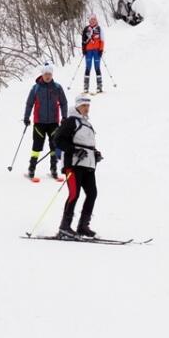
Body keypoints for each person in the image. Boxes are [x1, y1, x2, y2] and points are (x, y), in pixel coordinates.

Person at [54, 94, 103, 238]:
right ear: (77, 106)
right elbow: (58, 140)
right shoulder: (71, 121)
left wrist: (95, 153)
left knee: (92, 193)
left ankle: (83, 226)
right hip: (73, 164)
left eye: (88, 106)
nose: (86, 108)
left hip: (88, 165)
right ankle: (64, 226)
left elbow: (88, 144)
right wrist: (74, 150)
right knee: (74, 194)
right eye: (83, 106)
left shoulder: (87, 124)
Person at [22, 62, 68, 180]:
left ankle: (53, 169)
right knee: (37, 146)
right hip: (39, 122)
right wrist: (26, 118)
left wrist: (64, 117)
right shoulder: (36, 88)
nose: (48, 76)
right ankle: (31, 168)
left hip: (53, 122)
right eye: (46, 74)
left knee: (54, 146)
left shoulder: (57, 87)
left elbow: (64, 103)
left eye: (50, 74)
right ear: (42, 74)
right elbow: (29, 104)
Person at [81, 14, 105, 94]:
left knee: (97, 67)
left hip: (96, 51)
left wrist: (101, 50)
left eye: (94, 19)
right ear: (89, 21)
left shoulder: (99, 28)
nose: (92, 21)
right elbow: (83, 41)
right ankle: (86, 87)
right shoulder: (86, 29)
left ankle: (99, 86)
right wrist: (83, 50)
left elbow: (102, 40)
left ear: (96, 20)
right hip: (88, 51)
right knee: (88, 68)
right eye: (91, 19)